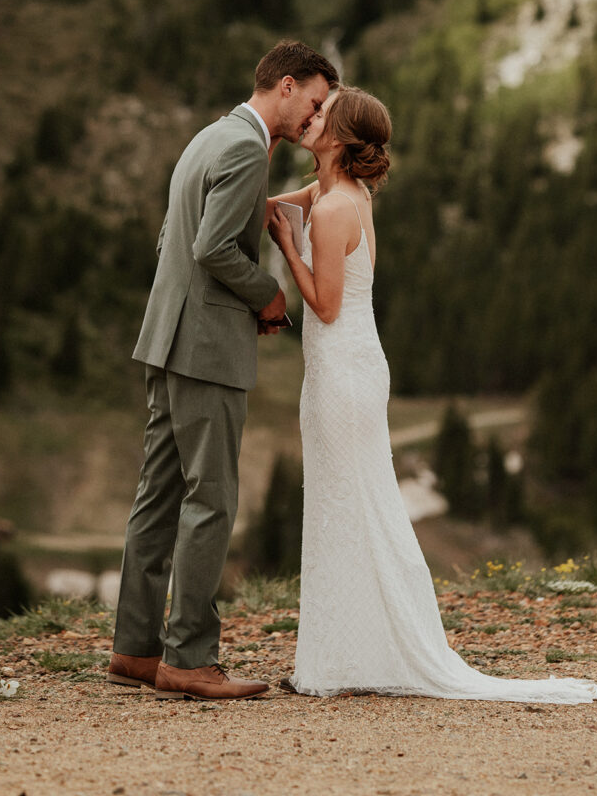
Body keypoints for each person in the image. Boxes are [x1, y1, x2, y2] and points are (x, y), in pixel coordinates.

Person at [267, 85, 597, 703]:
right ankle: (342, 656)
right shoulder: (339, 192)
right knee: (351, 506)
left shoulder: (337, 207)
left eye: (322, 114)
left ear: (339, 138)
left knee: (348, 506)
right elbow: (280, 201)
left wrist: (287, 246)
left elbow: (326, 304)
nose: (311, 118)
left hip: (342, 369)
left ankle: (340, 661)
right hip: (350, 370)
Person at [108, 40, 338, 701]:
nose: (314, 118)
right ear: (286, 85)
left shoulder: (213, 135)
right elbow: (211, 248)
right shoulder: (243, 148)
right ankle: (189, 658)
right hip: (205, 348)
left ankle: (135, 649)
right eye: (314, 103)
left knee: (156, 500)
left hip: (168, 339)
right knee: (211, 500)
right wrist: (265, 294)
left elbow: (170, 238)